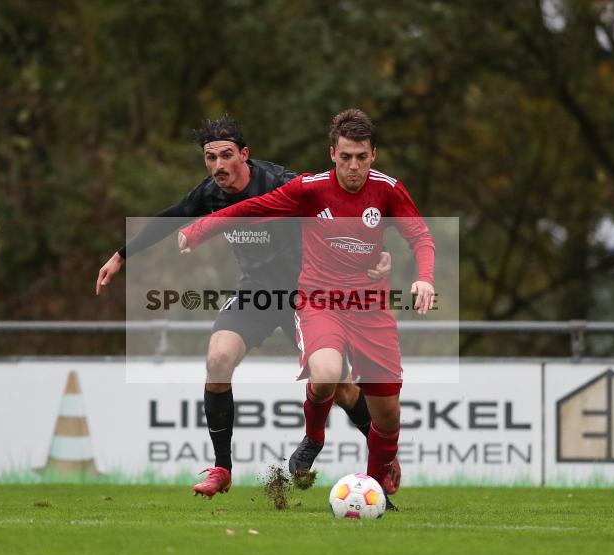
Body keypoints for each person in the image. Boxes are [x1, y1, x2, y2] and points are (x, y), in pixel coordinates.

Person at [95, 115, 399, 498]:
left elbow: (338, 209)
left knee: (341, 388)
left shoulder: (279, 182)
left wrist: (378, 251)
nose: (218, 165)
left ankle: (384, 456)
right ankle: (222, 469)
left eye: (226, 155)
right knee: (218, 358)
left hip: (305, 294)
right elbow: (172, 216)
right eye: (210, 158)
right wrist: (121, 256)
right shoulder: (211, 193)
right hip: (256, 292)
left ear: (244, 154)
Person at [179, 109, 435, 504]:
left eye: (361, 157)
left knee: (387, 416)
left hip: (370, 306)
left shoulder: (388, 190)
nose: (354, 166)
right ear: (332, 154)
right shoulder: (310, 189)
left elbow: (420, 236)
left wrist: (425, 277)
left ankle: (377, 486)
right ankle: (314, 438)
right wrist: (201, 228)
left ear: (373, 155)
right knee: (326, 372)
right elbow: (254, 207)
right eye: (345, 157)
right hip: (319, 300)